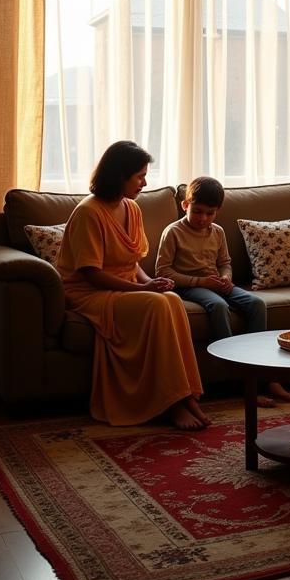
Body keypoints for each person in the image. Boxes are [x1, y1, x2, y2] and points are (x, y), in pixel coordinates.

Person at [56, 141, 209, 430]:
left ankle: (185, 395)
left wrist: (150, 282)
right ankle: (173, 403)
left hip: (123, 286)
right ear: (119, 176)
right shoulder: (89, 213)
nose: (144, 182)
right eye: (139, 176)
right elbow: (91, 274)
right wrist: (144, 291)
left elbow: (131, 263)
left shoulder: (132, 209)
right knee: (155, 304)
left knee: (172, 300)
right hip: (89, 293)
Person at [156, 176, 290, 407]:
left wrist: (226, 278)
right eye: (197, 212)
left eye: (210, 213)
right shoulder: (173, 232)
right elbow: (163, 271)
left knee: (256, 304)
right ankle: (240, 381)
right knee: (218, 306)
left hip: (216, 282)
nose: (203, 219)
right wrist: (200, 282)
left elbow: (225, 263)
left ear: (217, 211)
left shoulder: (217, 232)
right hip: (189, 287)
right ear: (185, 205)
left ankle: (266, 376)